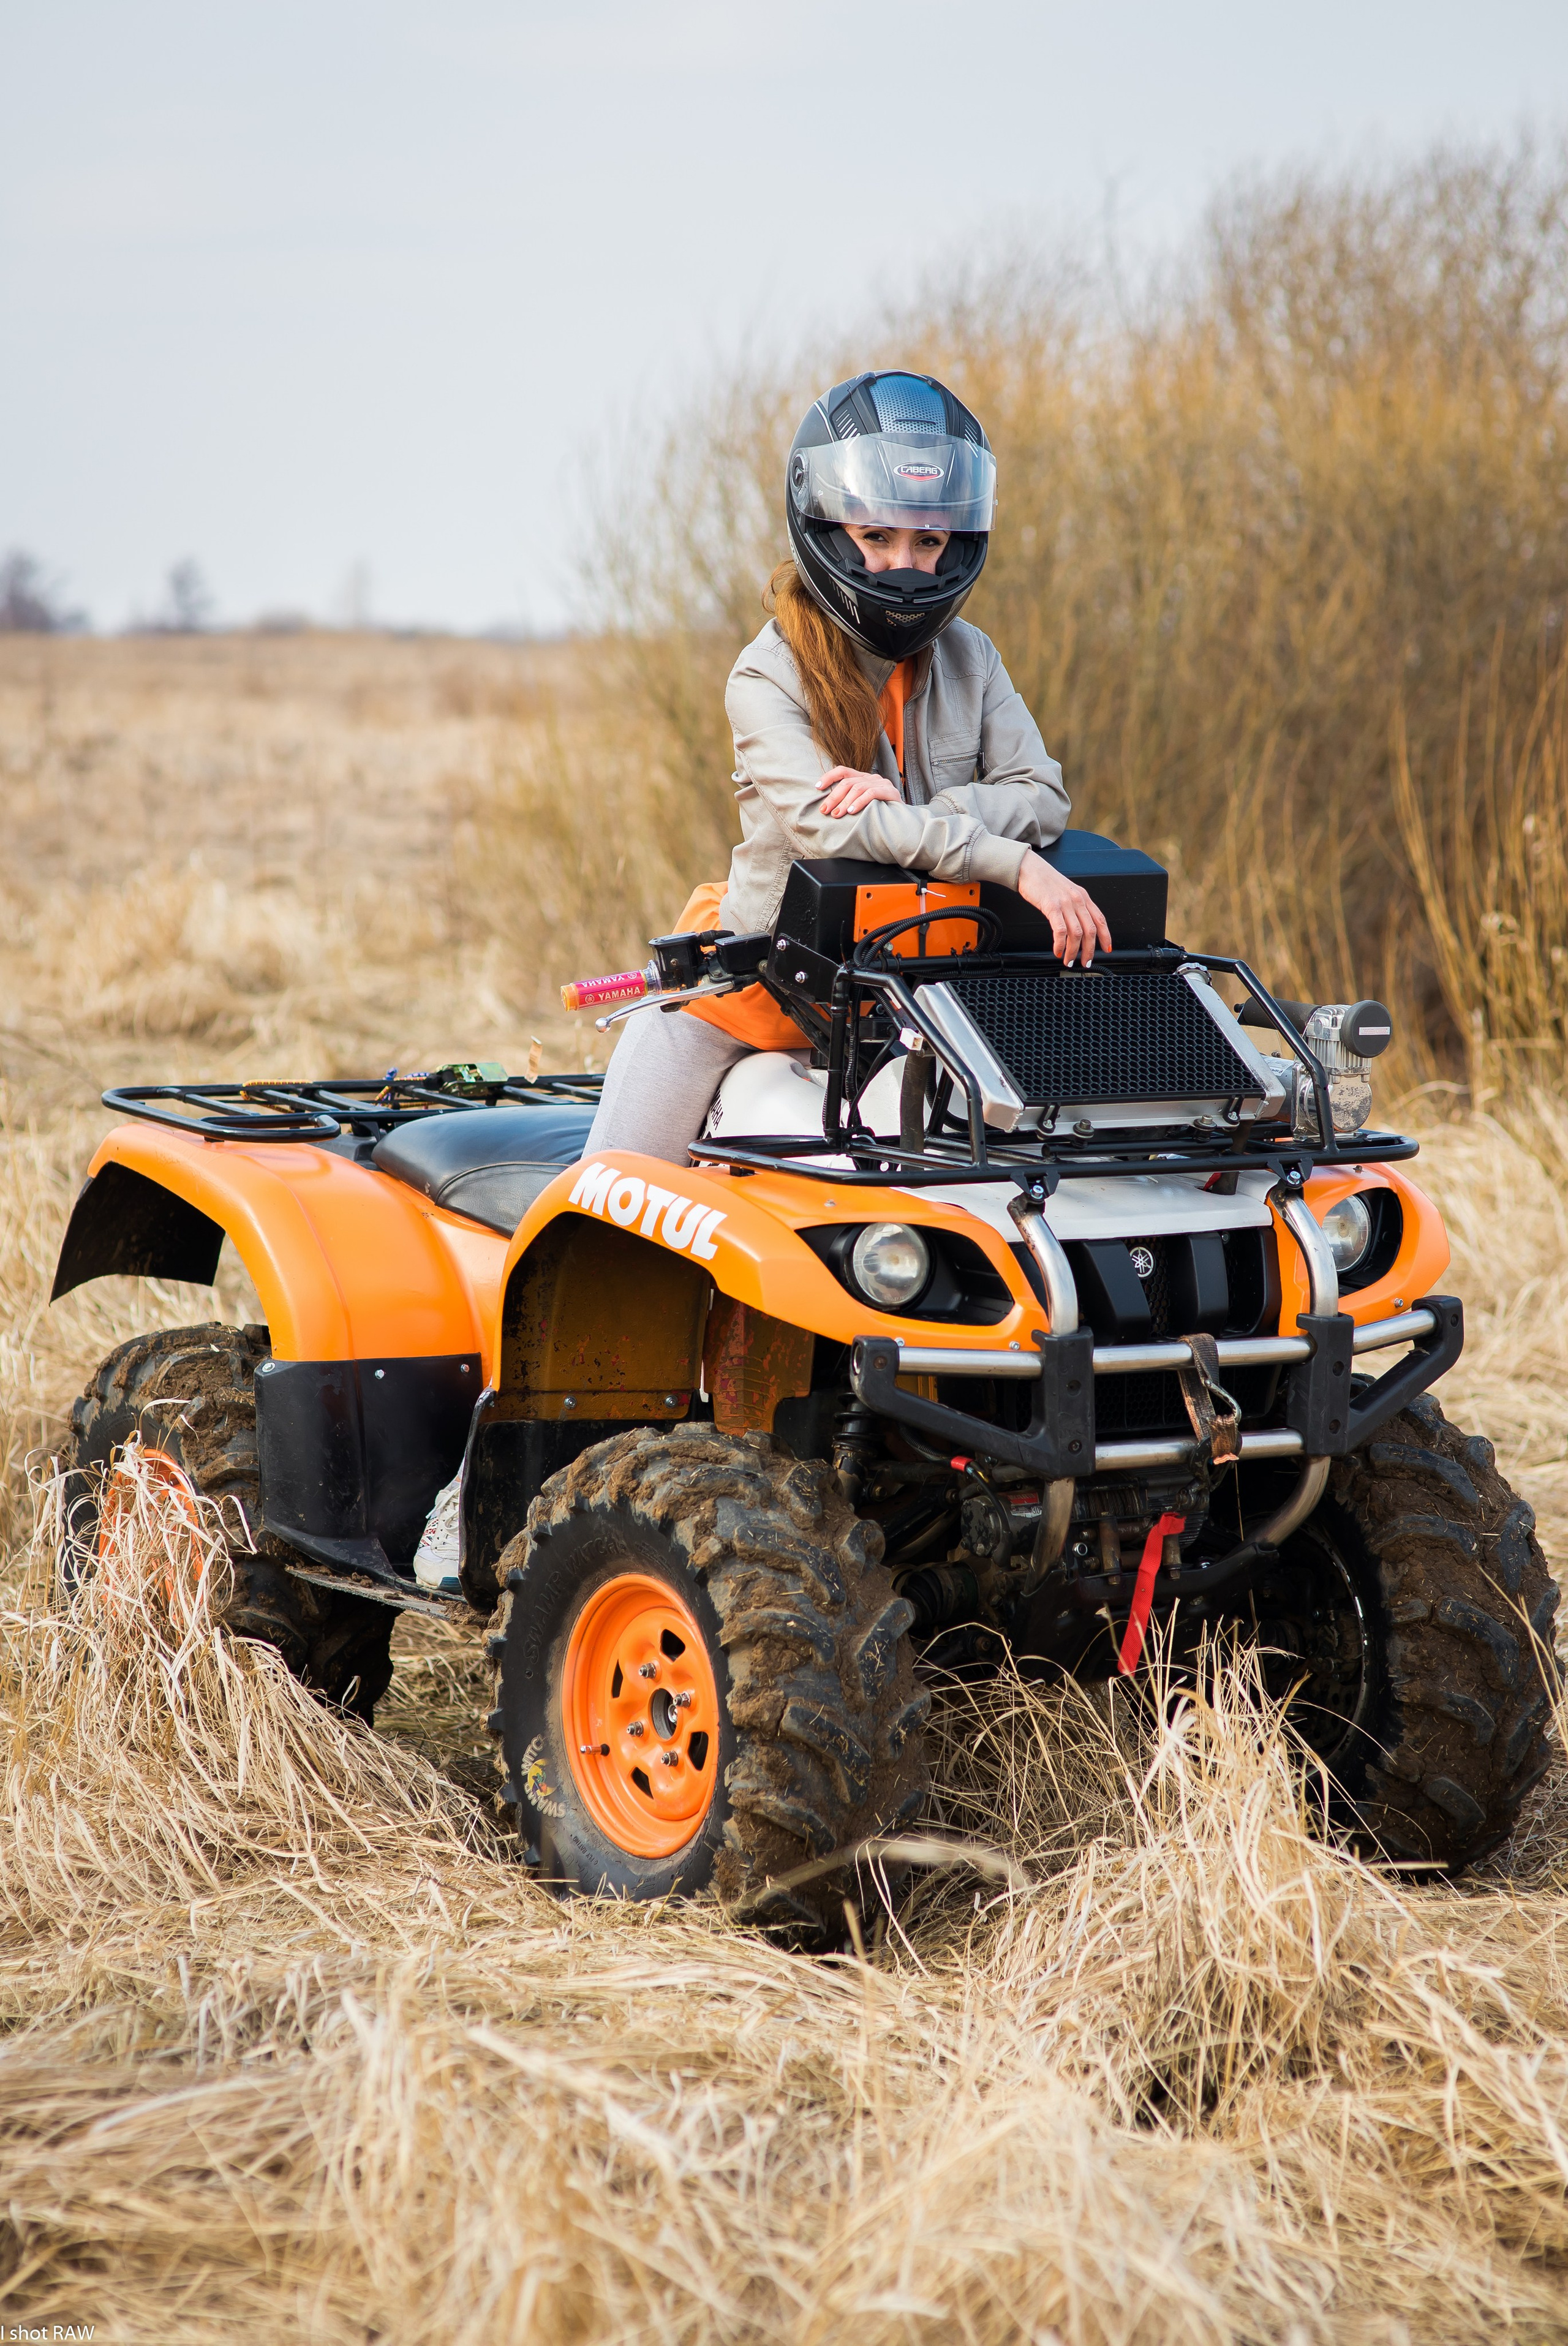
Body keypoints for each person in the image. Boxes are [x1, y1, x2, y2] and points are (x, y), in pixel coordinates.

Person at [586, 368, 1110, 1165]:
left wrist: (907, 806)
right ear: (830, 531)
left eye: (928, 542)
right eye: (878, 538)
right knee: (610, 1194)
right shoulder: (767, 675)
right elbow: (827, 831)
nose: (905, 565)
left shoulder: (973, 658)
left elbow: (1043, 795)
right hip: (755, 995)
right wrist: (1011, 863)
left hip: (924, 1003)